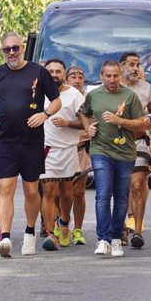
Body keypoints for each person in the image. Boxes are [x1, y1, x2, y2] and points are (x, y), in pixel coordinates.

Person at [0, 33, 61, 258]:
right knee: (5, 188)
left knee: (31, 189)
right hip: (3, 140)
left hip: (31, 140)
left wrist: (44, 115)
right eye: (7, 50)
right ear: (2, 51)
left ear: (22, 47)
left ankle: (29, 233)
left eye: (15, 48)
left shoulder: (38, 71)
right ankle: (5, 237)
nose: (12, 53)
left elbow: (56, 101)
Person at [79, 61, 149, 258]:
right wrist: (88, 127)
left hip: (125, 152)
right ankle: (103, 239)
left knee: (121, 197)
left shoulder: (129, 96)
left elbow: (141, 124)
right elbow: (84, 114)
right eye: (108, 76)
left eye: (115, 76)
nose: (112, 80)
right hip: (100, 150)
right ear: (102, 75)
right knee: (102, 194)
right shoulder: (94, 95)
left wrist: (120, 121)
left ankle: (117, 237)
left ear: (120, 76)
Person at [39, 59, 85, 251]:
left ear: (63, 74)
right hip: (45, 148)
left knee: (67, 193)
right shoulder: (37, 93)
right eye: (51, 71)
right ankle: (50, 234)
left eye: (58, 71)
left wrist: (67, 123)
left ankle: (64, 222)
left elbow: (85, 122)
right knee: (49, 190)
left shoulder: (74, 95)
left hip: (68, 149)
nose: (55, 74)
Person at [120, 52, 151, 249]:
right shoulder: (113, 87)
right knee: (123, 187)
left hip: (140, 141)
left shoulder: (146, 88)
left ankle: (138, 231)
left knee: (136, 185)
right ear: (121, 67)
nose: (135, 68)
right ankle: (124, 226)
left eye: (137, 64)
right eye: (131, 64)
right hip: (117, 143)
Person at [66, 66, 90, 245]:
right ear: (67, 80)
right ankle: (62, 225)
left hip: (83, 148)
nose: (76, 79)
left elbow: (92, 122)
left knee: (79, 192)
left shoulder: (89, 99)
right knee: (62, 193)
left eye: (80, 76)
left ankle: (78, 230)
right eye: (73, 76)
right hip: (64, 149)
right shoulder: (61, 98)